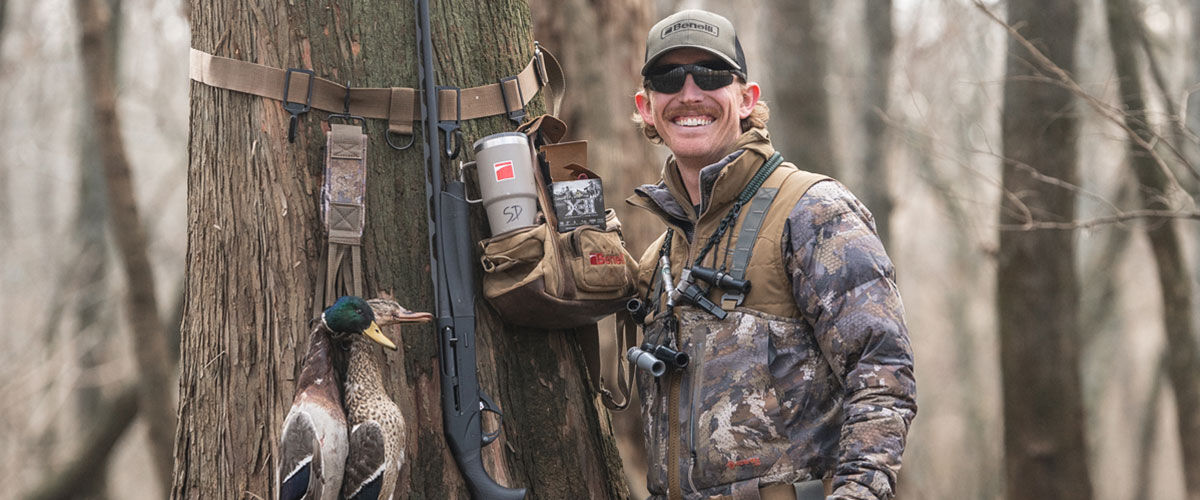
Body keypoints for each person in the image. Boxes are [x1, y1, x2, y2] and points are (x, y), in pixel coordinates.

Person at [626, 9, 917, 500]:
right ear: (647, 105)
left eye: (712, 74)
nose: (690, 92)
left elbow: (883, 375)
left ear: (746, 99)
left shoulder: (813, 211)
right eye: (668, 77)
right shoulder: (660, 257)